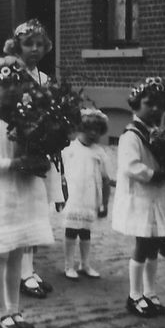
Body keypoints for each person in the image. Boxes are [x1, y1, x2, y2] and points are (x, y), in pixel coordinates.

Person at [0, 57, 53, 328]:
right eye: (3, 84)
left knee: (17, 249)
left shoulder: (29, 117)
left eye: (16, 83)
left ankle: (14, 309)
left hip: (23, 191)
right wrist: (12, 164)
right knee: (1, 251)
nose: (10, 89)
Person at [112, 77, 165, 318]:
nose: (155, 108)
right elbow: (131, 166)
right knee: (143, 246)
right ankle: (134, 295)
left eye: (160, 104)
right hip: (140, 197)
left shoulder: (157, 132)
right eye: (149, 102)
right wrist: (155, 174)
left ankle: (151, 292)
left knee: (154, 244)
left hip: (156, 197)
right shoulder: (131, 135)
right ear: (136, 103)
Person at [4, 19, 63, 299]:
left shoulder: (44, 78)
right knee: (23, 209)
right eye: (29, 44)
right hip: (19, 148)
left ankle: (29, 268)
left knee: (38, 209)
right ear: (18, 46)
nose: (35, 49)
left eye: (40, 44)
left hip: (40, 148)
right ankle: (20, 272)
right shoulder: (10, 74)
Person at [61, 108, 110, 280]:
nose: (93, 133)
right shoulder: (69, 149)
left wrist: (104, 203)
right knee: (71, 230)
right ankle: (69, 265)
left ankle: (85, 263)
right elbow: (62, 176)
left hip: (90, 198)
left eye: (97, 130)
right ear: (80, 128)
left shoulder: (99, 152)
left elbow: (105, 179)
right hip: (73, 197)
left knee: (85, 231)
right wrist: (61, 197)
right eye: (89, 129)